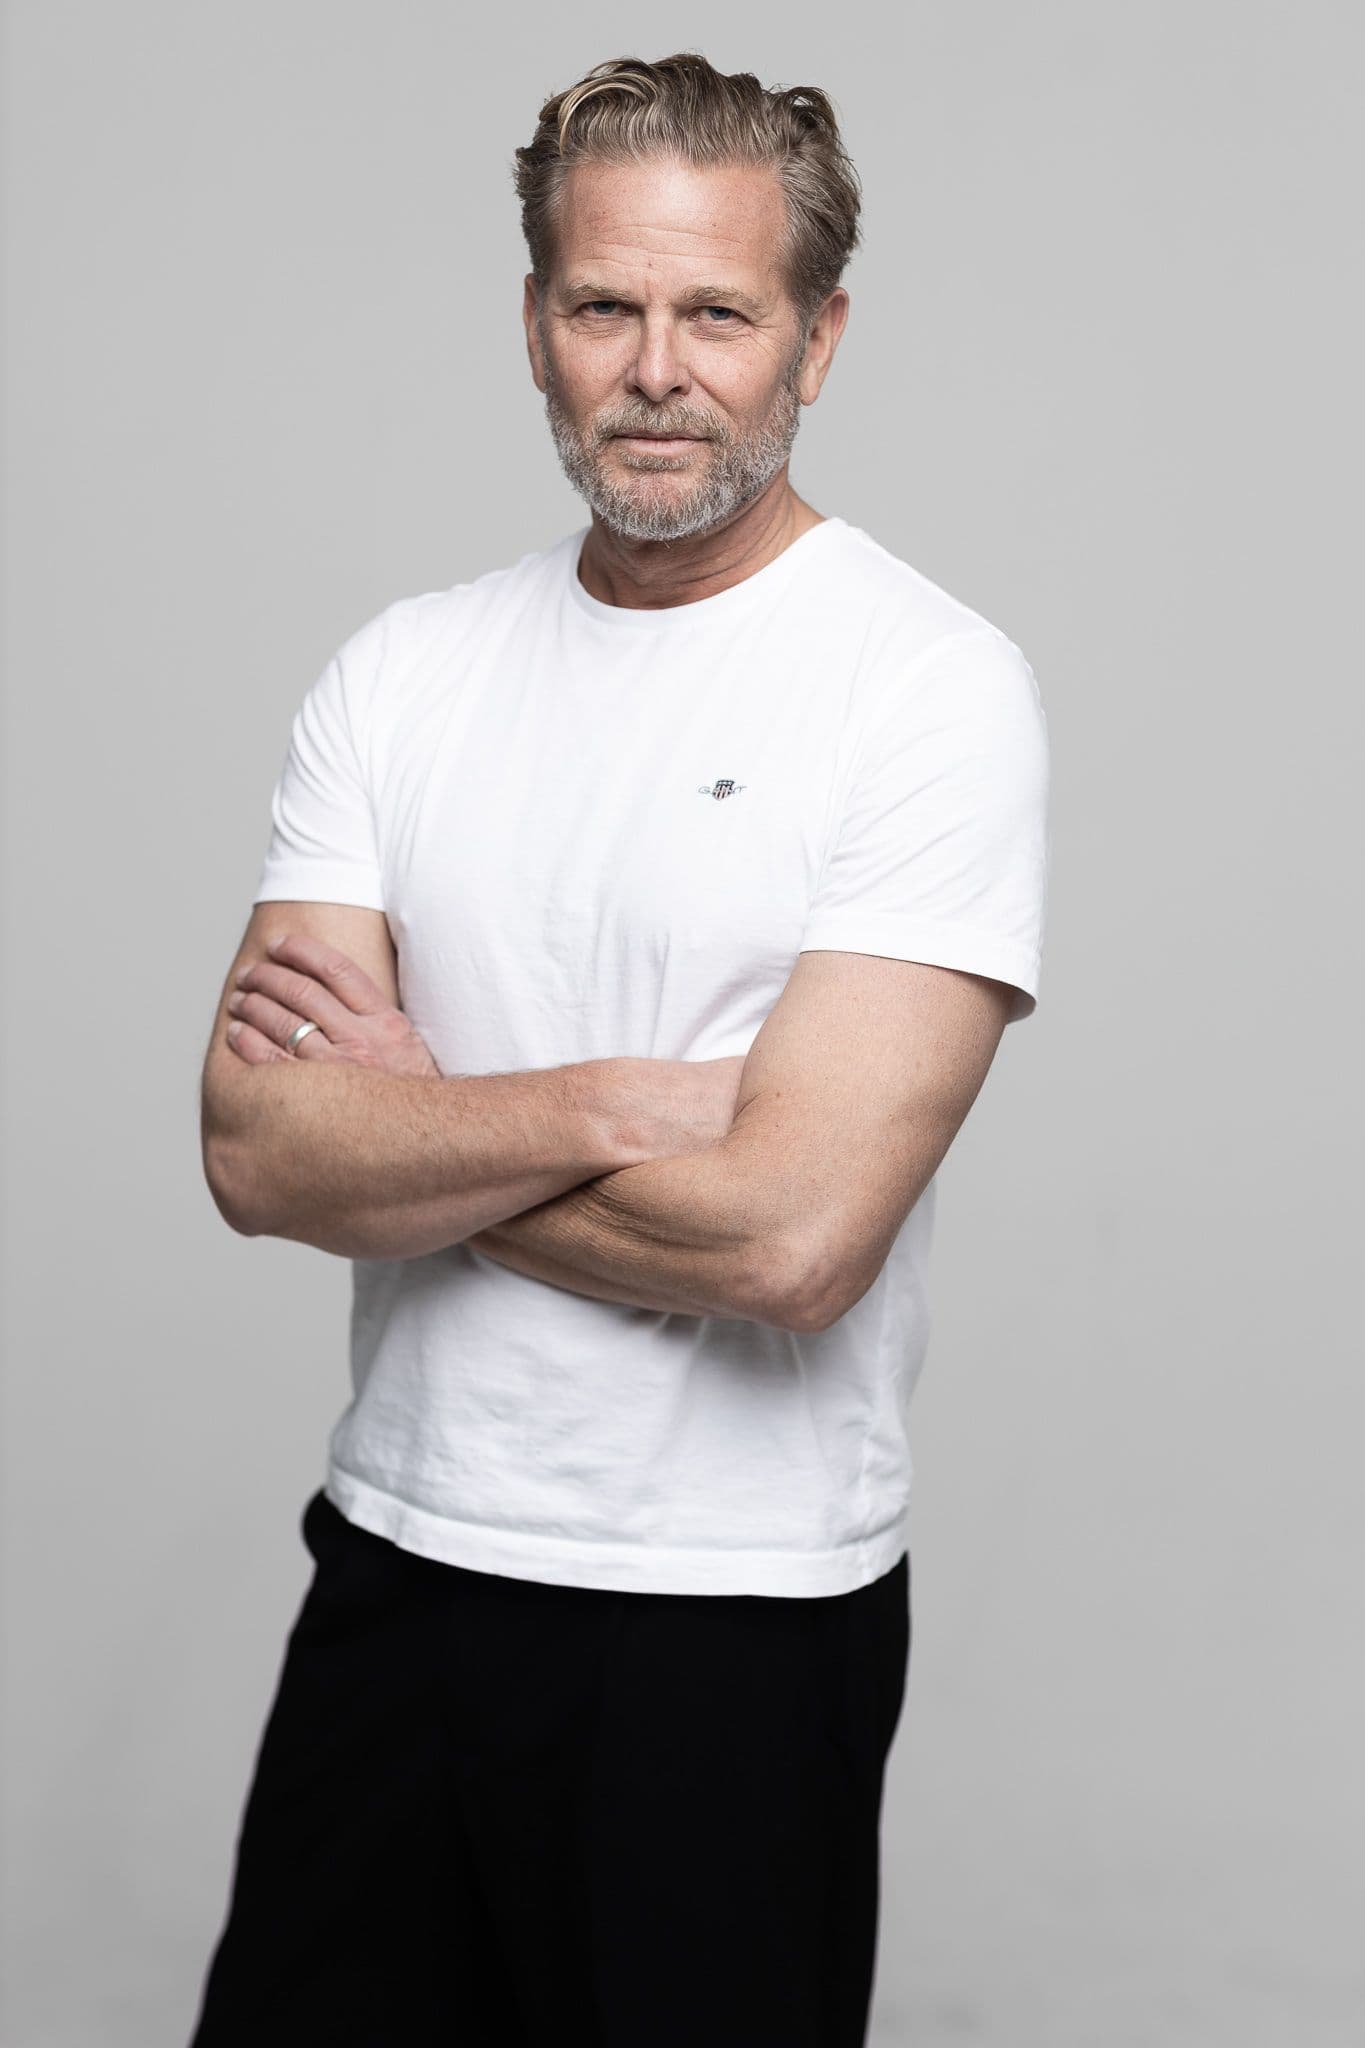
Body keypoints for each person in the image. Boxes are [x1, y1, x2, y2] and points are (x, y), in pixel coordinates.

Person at [187, 49, 1050, 2048]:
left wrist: (412, 1125)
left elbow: (789, 1244)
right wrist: (605, 1103)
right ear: (534, 326)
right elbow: (254, 1153)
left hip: (732, 1621)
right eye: (603, 305)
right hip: (399, 1559)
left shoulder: (926, 691)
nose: (654, 370)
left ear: (815, 340)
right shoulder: (402, 672)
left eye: (716, 313)